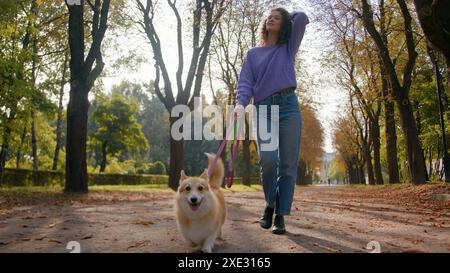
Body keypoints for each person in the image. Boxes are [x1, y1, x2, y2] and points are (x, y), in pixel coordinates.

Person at [235, 7, 309, 235]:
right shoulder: (253, 54)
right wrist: (240, 103)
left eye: (276, 18)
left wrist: (284, 15)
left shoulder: (288, 48)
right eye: (268, 17)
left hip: (288, 107)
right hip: (263, 108)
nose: (270, 19)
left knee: (287, 165)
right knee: (268, 161)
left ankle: (280, 215)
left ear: (285, 24)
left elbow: (302, 17)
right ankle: (269, 204)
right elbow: (245, 81)